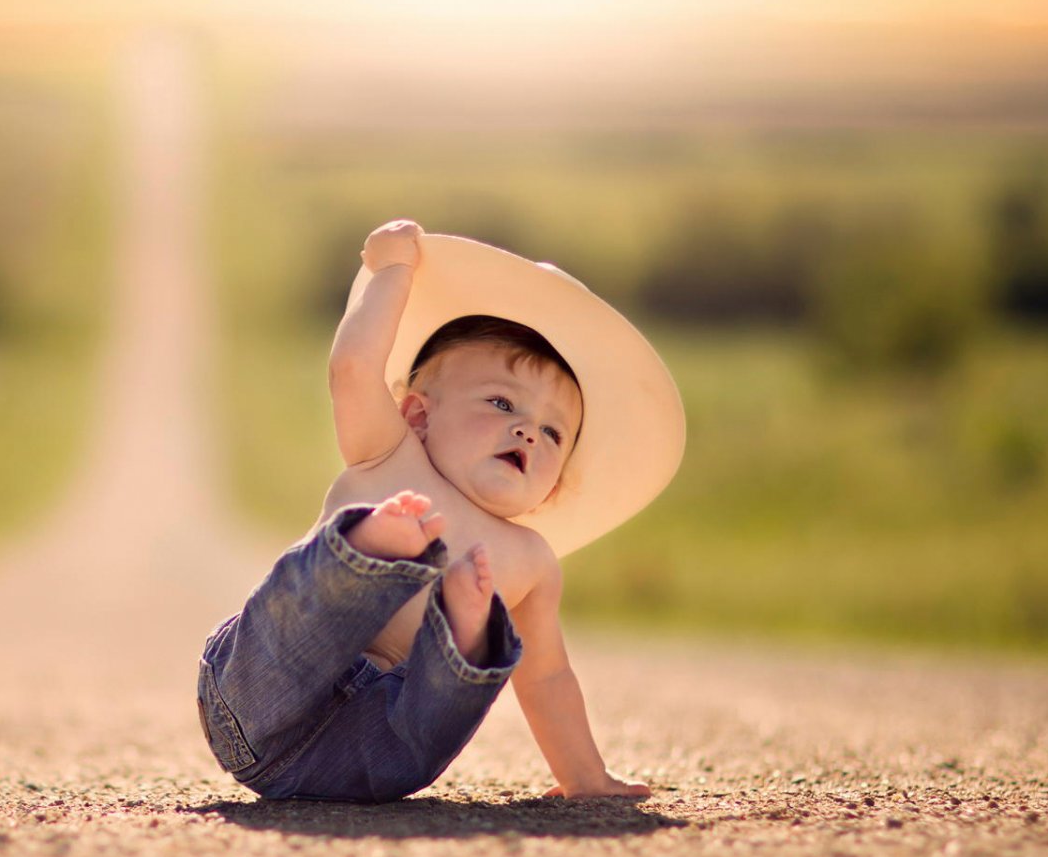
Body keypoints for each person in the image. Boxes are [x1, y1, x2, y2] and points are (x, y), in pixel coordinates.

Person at [197, 219, 686, 802]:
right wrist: (390, 271)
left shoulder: (528, 560)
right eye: (502, 402)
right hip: (257, 695)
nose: (527, 432)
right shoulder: (387, 454)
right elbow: (353, 368)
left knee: (465, 672)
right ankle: (366, 551)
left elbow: (547, 677)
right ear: (419, 415)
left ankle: (459, 632)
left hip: (364, 761)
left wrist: (584, 776)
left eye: (554, 433)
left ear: (555, 488)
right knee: (311, 602)